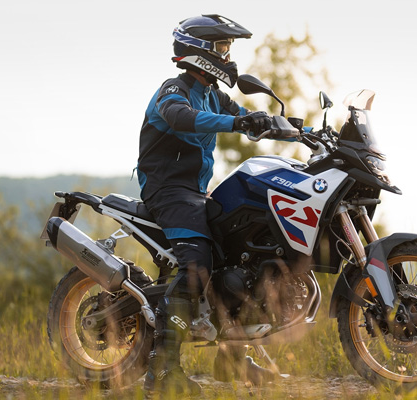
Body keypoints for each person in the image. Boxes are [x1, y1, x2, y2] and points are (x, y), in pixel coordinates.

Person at [136, 14, 295, 394]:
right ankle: (162, 371)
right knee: (197, 264)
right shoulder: (172, 90)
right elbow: (182, 117)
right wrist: (237, 125)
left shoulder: (214, 94)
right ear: (201, 52)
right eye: (223, 48)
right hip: (168, 190)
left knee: (242, 256)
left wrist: (303, 132)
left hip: (196, 191)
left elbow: (247, 118)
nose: (228, 56)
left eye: (228, 49)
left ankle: (231, 359)